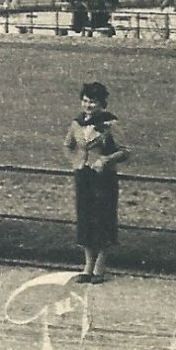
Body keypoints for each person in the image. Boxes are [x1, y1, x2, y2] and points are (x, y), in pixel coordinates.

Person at [63, 81, 130, 283]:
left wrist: (106, 160)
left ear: (102, 103)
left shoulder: (110, 124)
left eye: (92, 102)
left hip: (103, 178)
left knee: (102, 218)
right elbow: (68, 145)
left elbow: (125, 151)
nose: (88, 105)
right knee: (85, 218)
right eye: (85, 101)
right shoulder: (76, 123)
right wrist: (77, 161)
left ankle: (100, 266)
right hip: (83, 176)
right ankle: (87, 266)